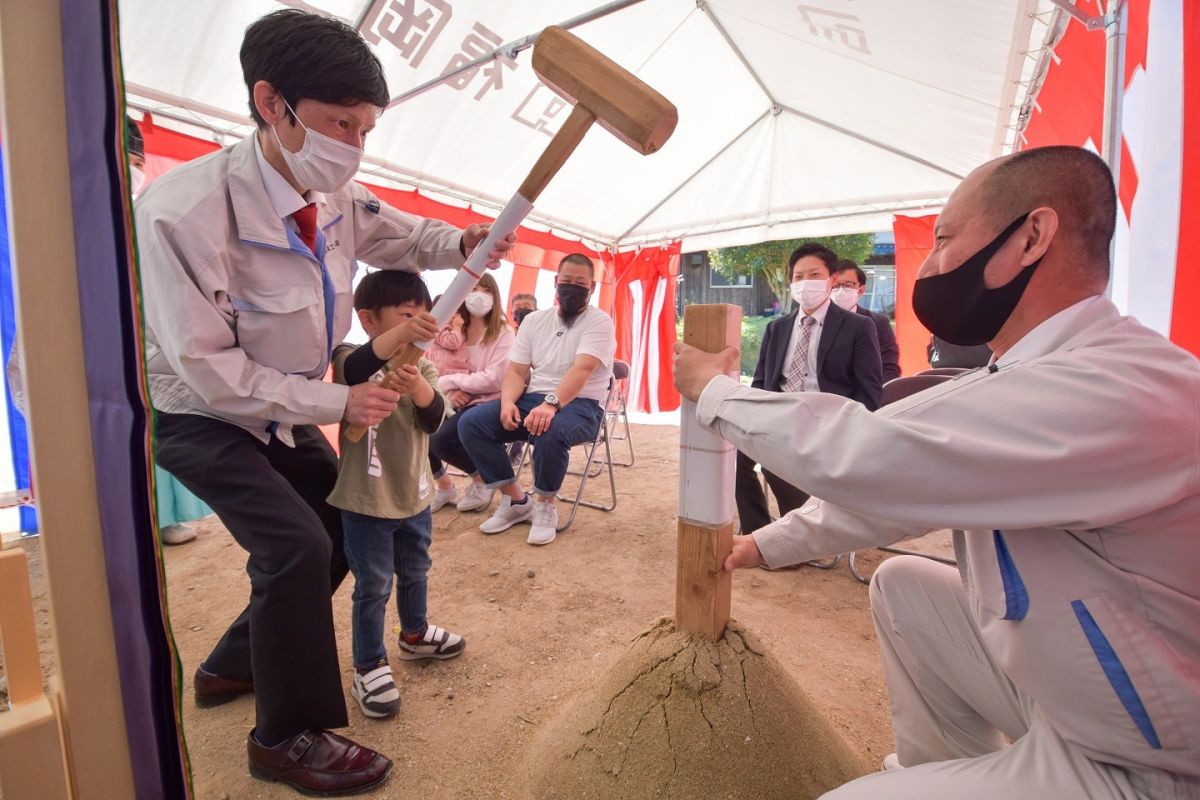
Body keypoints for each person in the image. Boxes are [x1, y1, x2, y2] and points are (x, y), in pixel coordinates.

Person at [673, 146, 1200, 799]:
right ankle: (935, 775)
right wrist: (765, 544)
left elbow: (868, 453)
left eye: (945, 239)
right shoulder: (1035, 376)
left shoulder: (1116, 388)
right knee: (903, 586)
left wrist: (714, 391)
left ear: (1031, 237)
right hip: (1077, 701)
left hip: (1148, 761)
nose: (930, 266)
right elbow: (906, 482)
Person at [136, 10, 512, 795]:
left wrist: (468, 241)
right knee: (295, 547)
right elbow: (209, 372)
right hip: (202, 415)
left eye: (367, 127)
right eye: (341, 122)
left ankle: (231, 665)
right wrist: (341, 399)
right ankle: (286, 735)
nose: (355, 143)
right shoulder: (181, 214)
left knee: (341, 521)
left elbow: (407, 239)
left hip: (287, 408)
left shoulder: (333, 191)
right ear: (271, 103)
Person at [327, 271, 465, 721]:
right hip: (366, 498)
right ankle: (368, 664)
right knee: (374, 584)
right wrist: (399, 342)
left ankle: (414, 634)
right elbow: (351, 372)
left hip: (415, 492)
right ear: (368, 319)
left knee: (416, 568)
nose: (419, 326)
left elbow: (436, 418)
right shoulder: (351, 355)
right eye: (407, 317)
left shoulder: (422, 364)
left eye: (424, 317)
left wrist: (419, 387)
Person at [456, 254, 615, 545]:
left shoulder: (600, 322)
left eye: (581, 283)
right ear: (556, 282)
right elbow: (516, 371)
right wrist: (506, 403)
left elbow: (582, 370)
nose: (572, 288)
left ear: (591, 287)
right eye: (567, 281)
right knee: (472, 422)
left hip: (582, 405)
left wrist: (551, 404)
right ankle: (517, 501)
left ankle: (545, 504)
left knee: (550, 429)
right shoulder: (534, 321)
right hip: (534, 399)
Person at [734, 243, 882, 535]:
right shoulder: (777, 329)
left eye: (814, 275)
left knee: (777, 461)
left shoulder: (857, 327)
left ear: (831, 280)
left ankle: (799, 536)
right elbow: (762, 383)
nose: (805, 283)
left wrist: (853, 431)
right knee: (734, 454)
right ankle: (757, 531)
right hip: (781, 417)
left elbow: (870, 392)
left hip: (829, 424)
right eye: (798, 277)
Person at [426, 272, 514, 511]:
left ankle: (482, 480)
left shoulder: (504, 332)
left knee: (441, 440)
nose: (480, 297)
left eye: (486, 292)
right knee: (418, 424)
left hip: (488, 401)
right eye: (474, 290)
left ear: (496, 297)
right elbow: (433, 366)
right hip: (456, 399)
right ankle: (445, 486)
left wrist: (450, 383)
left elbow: (494, 380)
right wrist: (448, 393)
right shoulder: (453, 331)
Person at [833, 259, 901, 381]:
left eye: (848, 285)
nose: (840, 290)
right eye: (835, 285)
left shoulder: (878, 323)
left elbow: (890, 370)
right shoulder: (814, 321)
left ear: (860, 290)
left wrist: (864, 393)